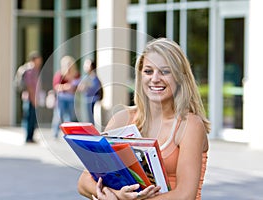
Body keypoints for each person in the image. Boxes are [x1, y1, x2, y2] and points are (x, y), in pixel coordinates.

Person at [77, 38, 210, 200]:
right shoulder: (123, 119)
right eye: (148, 71)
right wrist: (117, 195)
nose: (155, 78)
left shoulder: (190, 125)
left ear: (179, 77)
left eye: (165, 71)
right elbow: (84, 181)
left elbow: (185, 195)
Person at [52, 55, 81, 138]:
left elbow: (78, 85)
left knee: (70, 116)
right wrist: (66, 87)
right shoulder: (59, 75)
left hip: (71, 98)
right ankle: (55, 133)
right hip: (61, 98)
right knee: (59, 115)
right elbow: (56, 86)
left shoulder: (76, 74)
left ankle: (69, 133)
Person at [21, 51, 43, 143]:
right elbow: (30, 86)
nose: (40, 61)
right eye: (39, 59)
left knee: (33, 118)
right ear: (34, 60)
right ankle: (28, 137)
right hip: (30, 98)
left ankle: (31, 137)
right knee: (29, 118)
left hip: (33, 98)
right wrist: (33, 98)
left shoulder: (35, 70)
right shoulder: (30, 70)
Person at [78, 59, 103, 124]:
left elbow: (94, 89)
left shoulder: (94, 77)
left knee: (91, 119)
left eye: (87, 65)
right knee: (88, 118)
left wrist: (86, 88)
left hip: (93, 100)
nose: (84, 66)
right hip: (87, 99)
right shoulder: (86, 77)